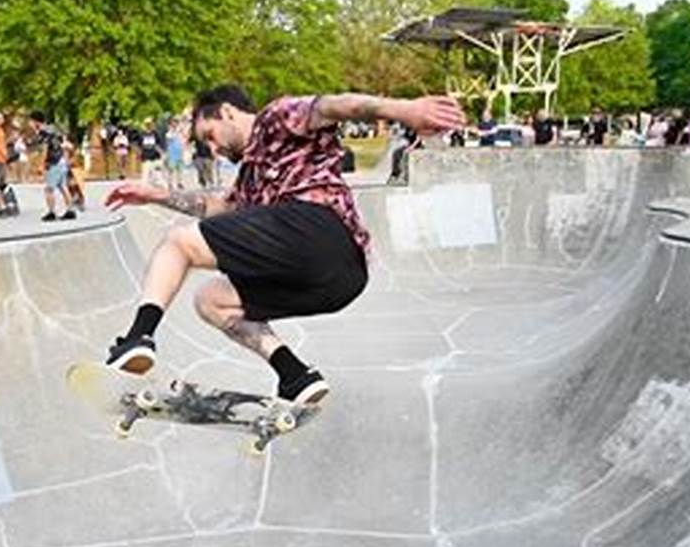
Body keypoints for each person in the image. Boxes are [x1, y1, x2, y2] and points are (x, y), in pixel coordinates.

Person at [102, 85, 462, 403]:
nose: (212, 148)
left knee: (178, 241)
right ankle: (295, 376)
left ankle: (138, 336)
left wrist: (406, 110)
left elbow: (338, 105)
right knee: (211, 301)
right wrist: (154, 195)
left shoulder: (275, 118)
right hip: (340, 282)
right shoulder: (249, 176)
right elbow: (221, 210)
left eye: (210, 135)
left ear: (227, 112)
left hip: (318, 228)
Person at [29, 111, 76, 221]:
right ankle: (70, 210)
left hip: (53, 162)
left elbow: (44, 149)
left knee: (49, 189)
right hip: (61, 160)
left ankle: (51, 212)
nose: (30, 124)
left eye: (31, 121)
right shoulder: (52, 129)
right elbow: (61, 144)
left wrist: (41, 165)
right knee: (63, 187)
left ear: (36, 121)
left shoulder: (42, 133)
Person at [140, 118, 164, 185]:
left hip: (155, 156)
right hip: (146, 157)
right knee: (145, 175)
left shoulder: (155, 133)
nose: (148, 126)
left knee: (157, 175)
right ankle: (145, 189)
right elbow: (139, 145)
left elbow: (158, 144)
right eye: (147, 124)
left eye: (150, 124)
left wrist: (161, 153)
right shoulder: (142, 134)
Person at [165, 117, 185, 191]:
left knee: (180, 169)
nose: (175, 124)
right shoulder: (169, 133)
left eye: (176, 123)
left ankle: (179, 182)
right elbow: (168, 141)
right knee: (171, 170)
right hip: (172, 153)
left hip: (179, 152)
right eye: (173, 123)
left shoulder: (180, 133)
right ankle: (170, 183)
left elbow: (182, 141)